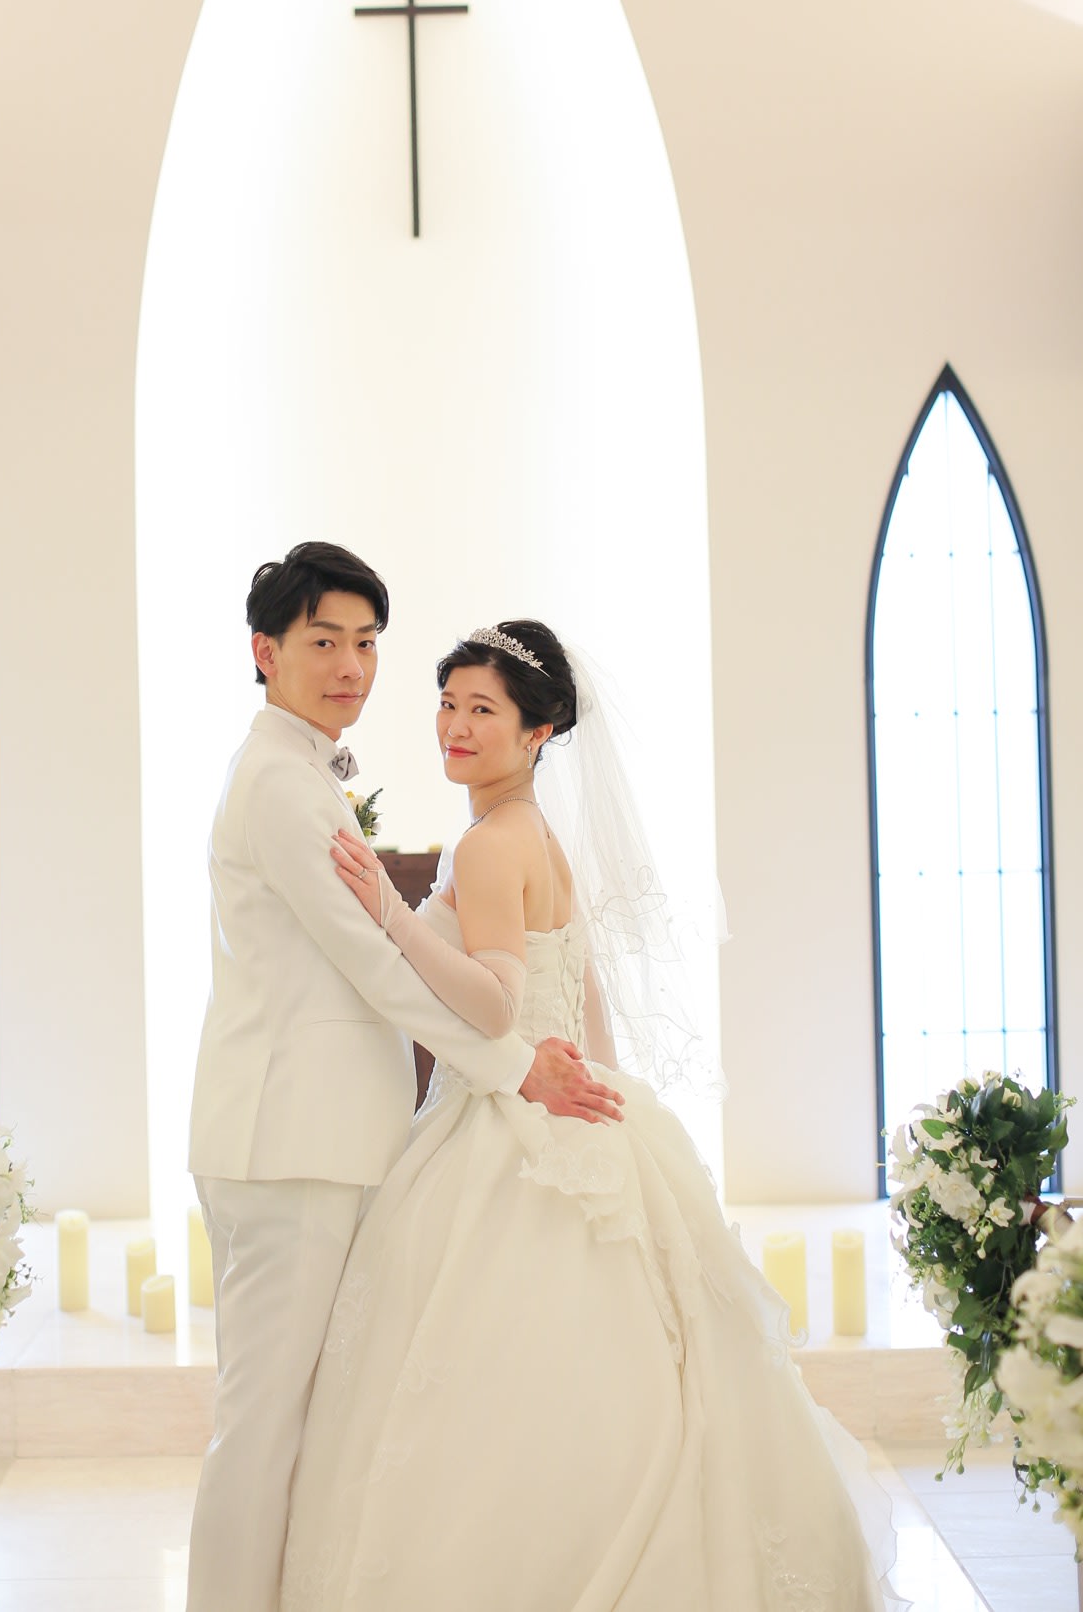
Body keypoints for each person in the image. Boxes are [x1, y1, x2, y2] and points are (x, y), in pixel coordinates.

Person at [279, 618, 903, 1612]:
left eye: (483, 710)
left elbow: (494, 1005)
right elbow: (581, 993)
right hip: (565, 1110)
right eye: (447, 703)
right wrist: (610, 1106)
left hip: (503, 1128)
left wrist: (390, 912)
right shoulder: (538, 836)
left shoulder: (489, 845)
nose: (456, 726)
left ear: (539, 732)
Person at [184, 552, 623, 1612]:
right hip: (290, 1144)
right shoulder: (282, 787)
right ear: (266, 651)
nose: (351, 665)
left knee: (295, 1424)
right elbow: (376, 970)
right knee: (262, 1427)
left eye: (367, 643)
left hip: (318, 1138)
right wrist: (519, 1070)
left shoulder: (304, 776)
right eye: (324, 641)